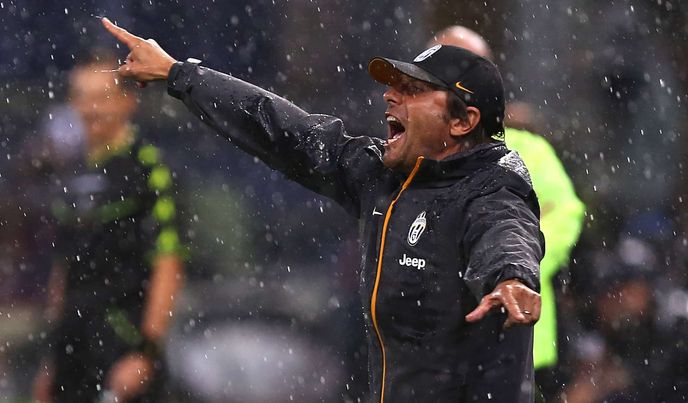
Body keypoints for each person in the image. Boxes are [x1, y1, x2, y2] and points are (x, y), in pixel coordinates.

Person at [101, 18, 543, 402]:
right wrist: (179, 74)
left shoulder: (493, 187)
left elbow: (507, 231)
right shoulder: (380, 175)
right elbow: (278, 126)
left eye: (413, 90)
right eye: (395, 85)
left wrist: (511, 276)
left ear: (463, 121)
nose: (390, 96)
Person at [430, 25, 585, 398]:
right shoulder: (411, 152)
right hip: (431, 346)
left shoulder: (526, 151)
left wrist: (510, 270)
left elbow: (565, 214)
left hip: (516, 336)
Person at [31, 50, 185, 403]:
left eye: (101, 97)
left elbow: (168, 262)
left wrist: (146, 352)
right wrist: (50, 362)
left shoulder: (150, 168)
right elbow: (63, 269)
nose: (91, 109)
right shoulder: (68, 173)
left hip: (123, 341)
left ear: (128, 101)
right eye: (81, 98)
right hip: (72, 346)